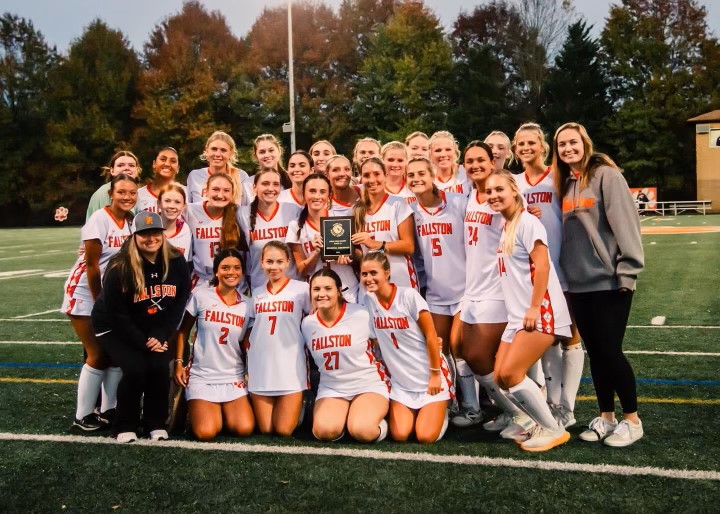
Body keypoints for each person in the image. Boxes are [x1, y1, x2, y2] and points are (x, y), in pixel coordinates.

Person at [553, 122, 645, 447]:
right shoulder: (563, 184)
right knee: (596, 353)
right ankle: (606, 417)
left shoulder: (606, 175)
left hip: (609, 282)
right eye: (562, 144)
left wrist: (627, 272)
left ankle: (632, 420)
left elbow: (626, 223)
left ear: (584, 142)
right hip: (578, 285)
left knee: (610, 351)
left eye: (573, 142)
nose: (568, 148)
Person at [484, 170, 572, 452]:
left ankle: (552, 429)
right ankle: (536, 423)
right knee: (499, 376)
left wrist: (534, 307)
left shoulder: (527, 222)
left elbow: (543, 265)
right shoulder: (507, 224)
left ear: (514, 190)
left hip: (540, 311)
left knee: (511, 374)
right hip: (517, 314)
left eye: (499, 189)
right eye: (489, 191)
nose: (494, 195)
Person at [92, 211, 191, 443]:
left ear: (162, 234)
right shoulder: (120, 265)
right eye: (144, 234)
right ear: (134, 235)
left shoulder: (176, 260)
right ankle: (125, 424)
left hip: (154, 327)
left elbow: (179, 302)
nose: (151, 238)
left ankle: (155, 422)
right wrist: (143, 342)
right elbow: (117, 314)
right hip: (114, 326)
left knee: (158, 367)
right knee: (136, 369)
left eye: (155, 232)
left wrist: (160, 334)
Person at [513, 122, 583, 429]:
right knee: (549, 339)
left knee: (571, 337)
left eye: (531, 142)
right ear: (515, 150)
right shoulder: (514, 182)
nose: (526, 148)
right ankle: (554, 404)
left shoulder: (557, 175)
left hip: (563, 266)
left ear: (543, 146)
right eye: (520, 144)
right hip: (532, 273)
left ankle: (569, 406)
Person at [459, 142, 530, 436]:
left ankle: (523, 413)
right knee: (467, 353)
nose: (475, 165)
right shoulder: (469, 195)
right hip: (472, 288)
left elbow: (520, 218)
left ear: (493, 161)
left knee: (479, 357)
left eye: (480, 160)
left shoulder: (496, 194)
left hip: (496, 288)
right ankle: (512, 411)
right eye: (469, 161)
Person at [64, 173, 137, 431]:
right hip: (85, 291)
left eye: (132, 192)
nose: (127, 197)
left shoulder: (130, 222)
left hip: (110, 295)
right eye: (121, 192)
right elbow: (92, 266)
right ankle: (83, 415)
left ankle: (109, 409)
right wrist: (99, 303)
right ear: (111, 194)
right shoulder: (99, 219)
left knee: (114, 354)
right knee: (97, 353)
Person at [361, 252, 453, 443]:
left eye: (373, 273)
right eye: (364, 274)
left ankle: (444, 410)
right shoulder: (368, 301)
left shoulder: (408, 296)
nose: (368, 279)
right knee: (400, 435)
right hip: (402, 383)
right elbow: (374, 338)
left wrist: (435, 374)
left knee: (425, 437)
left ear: (387, 273)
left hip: (429, 378)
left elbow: (431, 336)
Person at [406, 157, 469, 425]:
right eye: (411, 175)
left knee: (460, 348)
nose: (416, 178)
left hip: (465, 289)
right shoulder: (409, 210)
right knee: (439, 350)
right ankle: (449, 401)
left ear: (433, 175)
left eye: (421, 173)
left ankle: (472, 407)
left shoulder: (458, 202)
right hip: (434, 291)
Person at [174, 248, 254, 441]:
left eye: (236, 268)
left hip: (232, 375)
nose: (231, 272)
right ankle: (201, 409)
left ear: (242, 272)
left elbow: (246, 342)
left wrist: (250, 370)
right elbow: (182, 331)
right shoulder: (201, 296)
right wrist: (178, 362)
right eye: (225, 267)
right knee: (206, 432)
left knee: (244, 428)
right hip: (203, 375)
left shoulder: (248, 304)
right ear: (216, 271)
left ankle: (219, 411)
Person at [301, 269, 390, 442]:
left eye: (328, 288)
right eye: (316, 289)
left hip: (368, 383)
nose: (322, 294)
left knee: (362, 431)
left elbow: (387, 340)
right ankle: (347, 418)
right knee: (324, 432)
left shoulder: (361, 314)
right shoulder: (307, 323)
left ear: (339, 291)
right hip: (332, 387)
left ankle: (381, 422)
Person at [246, 241, 310, 436]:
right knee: (266, 430)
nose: (274, 267)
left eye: (280, 261)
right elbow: (249, 330)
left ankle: (303, 406)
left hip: (290, 365)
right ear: (262, 263)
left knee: (283, 431)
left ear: (288, 262)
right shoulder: (256, 293)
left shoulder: (302, 289)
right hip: (261, 367)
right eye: (269, 262)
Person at [287, 173, 359, 302]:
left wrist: (350, 258)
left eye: (322, 192)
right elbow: (302, 270)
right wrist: (317, 251)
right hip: (319, 294)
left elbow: (359, 255)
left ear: (329, 195)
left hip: (347, 289)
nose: (317, 196)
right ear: (304, 193)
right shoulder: (295, 226)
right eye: (312, 191)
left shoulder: (342, 218)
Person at [351, 158, 418, 293]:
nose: (372, 180)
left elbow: (409, 246)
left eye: (377, 174)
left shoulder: (398, 204)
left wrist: (376, 244)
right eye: (366, 175)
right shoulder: (357, 210)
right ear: (361, 179)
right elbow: (361, 253)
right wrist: (347, 253)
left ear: (386, 176)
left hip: (400, 279)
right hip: (371, 283)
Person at [239, 169, 301, 290]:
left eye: (276, 184)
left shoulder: (294, 210)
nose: (271, 188)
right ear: (254, 187)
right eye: (265, 183)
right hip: (260, 288)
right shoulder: (242, 215)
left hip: (292, 287)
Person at [185, 173, 247, 290]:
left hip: (233, 282)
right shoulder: (190, 211)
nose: (220, 195)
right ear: (206, 191)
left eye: (226, 191)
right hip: (203, 282)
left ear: (232, 193)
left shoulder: (239, 213)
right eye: (215, 189)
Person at [186, 131, 248, 205]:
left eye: (223, 150)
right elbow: (188, 209)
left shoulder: (241, 176)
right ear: (206, 150)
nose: (218, 154)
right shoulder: (194, 176)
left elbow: (248, 211)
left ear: (231, 153)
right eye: (214, 149)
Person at [86, 151, 141, 220]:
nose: (126, 168)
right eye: (120, 165)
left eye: (131, 165)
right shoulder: (103, 193)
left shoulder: (142, 192)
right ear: (112, 171)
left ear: (137, 170)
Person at [136, 147, 181, 213]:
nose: (167, 164)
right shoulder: (138, 195)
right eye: (163, 159)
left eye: (173, 161)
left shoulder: (186, 193)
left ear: (178, 168)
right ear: (154, 164)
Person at [158, 183, 192, 261]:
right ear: (159, 203)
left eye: (177, 202)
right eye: (167, 201)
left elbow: (187, 263)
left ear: (184, 206)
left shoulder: (186, 230)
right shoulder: (149, 228)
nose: (172, 206)